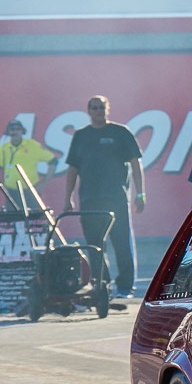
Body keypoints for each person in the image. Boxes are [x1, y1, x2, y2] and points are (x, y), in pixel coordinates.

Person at [63, 95, 145, 298]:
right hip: (89, 200)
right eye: (94, 107)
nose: (98, 110)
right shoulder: (81, 136)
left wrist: (140, 193)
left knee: (121, 243)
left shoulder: (120, 132)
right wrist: (68, 197)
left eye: (101, 107)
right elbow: (72, 169)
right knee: (94, 245)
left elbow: (136, 163)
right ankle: (102, 286)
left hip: (116, 199)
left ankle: (125, 287)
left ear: (107, 109)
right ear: (88, 111)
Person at [0, 118, 59, 190]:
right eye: (12, 129)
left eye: (18, 129)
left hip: (31, 190)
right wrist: (1, 186)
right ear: (8, 132)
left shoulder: (33, 145)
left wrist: (43, 183)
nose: (15, 131)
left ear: (22, 131)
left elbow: (53, 161)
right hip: (11, 191)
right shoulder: (3, 149)